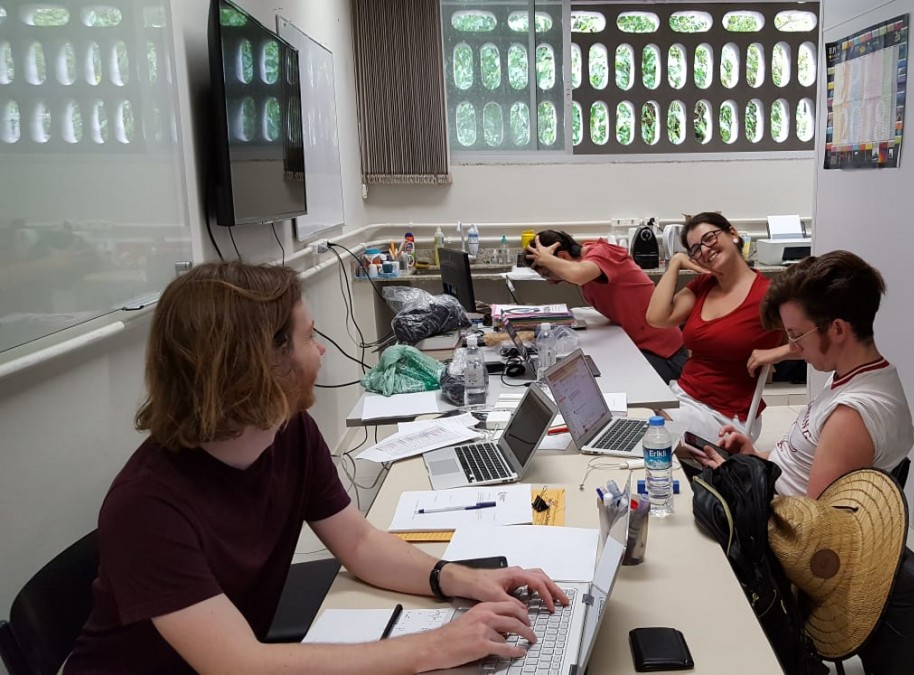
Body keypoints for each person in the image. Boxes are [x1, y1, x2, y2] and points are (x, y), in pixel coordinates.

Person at [67, 262, 567, 673]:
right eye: (308, 337)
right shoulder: (146, 507)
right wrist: (437, 646)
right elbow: (239, 665)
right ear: (258, 364)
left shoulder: (287, 432)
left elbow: (359, 543)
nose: (321, 350)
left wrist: (461, 580)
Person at [689, 250, 914, 498]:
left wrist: (737, 483)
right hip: (767, 492)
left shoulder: (851, 417)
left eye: (796, 335)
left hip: (771, 517)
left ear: (838, 330)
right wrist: (753, 459)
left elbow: (813, 519)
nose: (793, 347)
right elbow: (798, 465)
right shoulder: (851, 377)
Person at [646, 212, 783, 440]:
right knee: (631, 420)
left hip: (727, 416)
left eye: (709, 238)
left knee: (651, 435)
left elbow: (821, 336)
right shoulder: (703, 285)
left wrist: (779, 352)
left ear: (732, 234)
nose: (705, 250)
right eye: (696, 249)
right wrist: (675, 264)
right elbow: (657, 317)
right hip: (684, 396)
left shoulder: (769, 295)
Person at [524, 230, 687, 383]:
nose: (550, 282)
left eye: (548, 274)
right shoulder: (588, 262)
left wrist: (546, 259)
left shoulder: (605, 253)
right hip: (636, 346)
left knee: (603, 383)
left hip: (665, 356)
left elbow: (578, 274)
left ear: (563, 256)